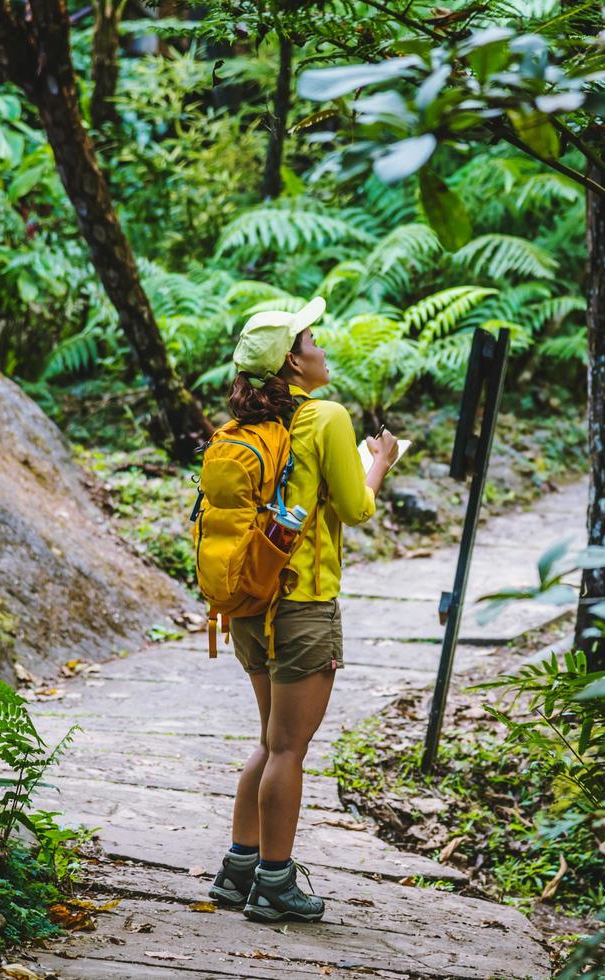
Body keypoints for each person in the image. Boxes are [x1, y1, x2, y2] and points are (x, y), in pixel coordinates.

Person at [207, 297, 399, 923]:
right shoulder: (326, 418)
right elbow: (355, 508)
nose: (321, 347)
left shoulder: (248, 426)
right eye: (312, 339)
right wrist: (380, 462)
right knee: (288, 748)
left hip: (249, 602)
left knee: (270, 739)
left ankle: (239, 871)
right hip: (302, 606)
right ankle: (275, 884)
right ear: (293, 361)